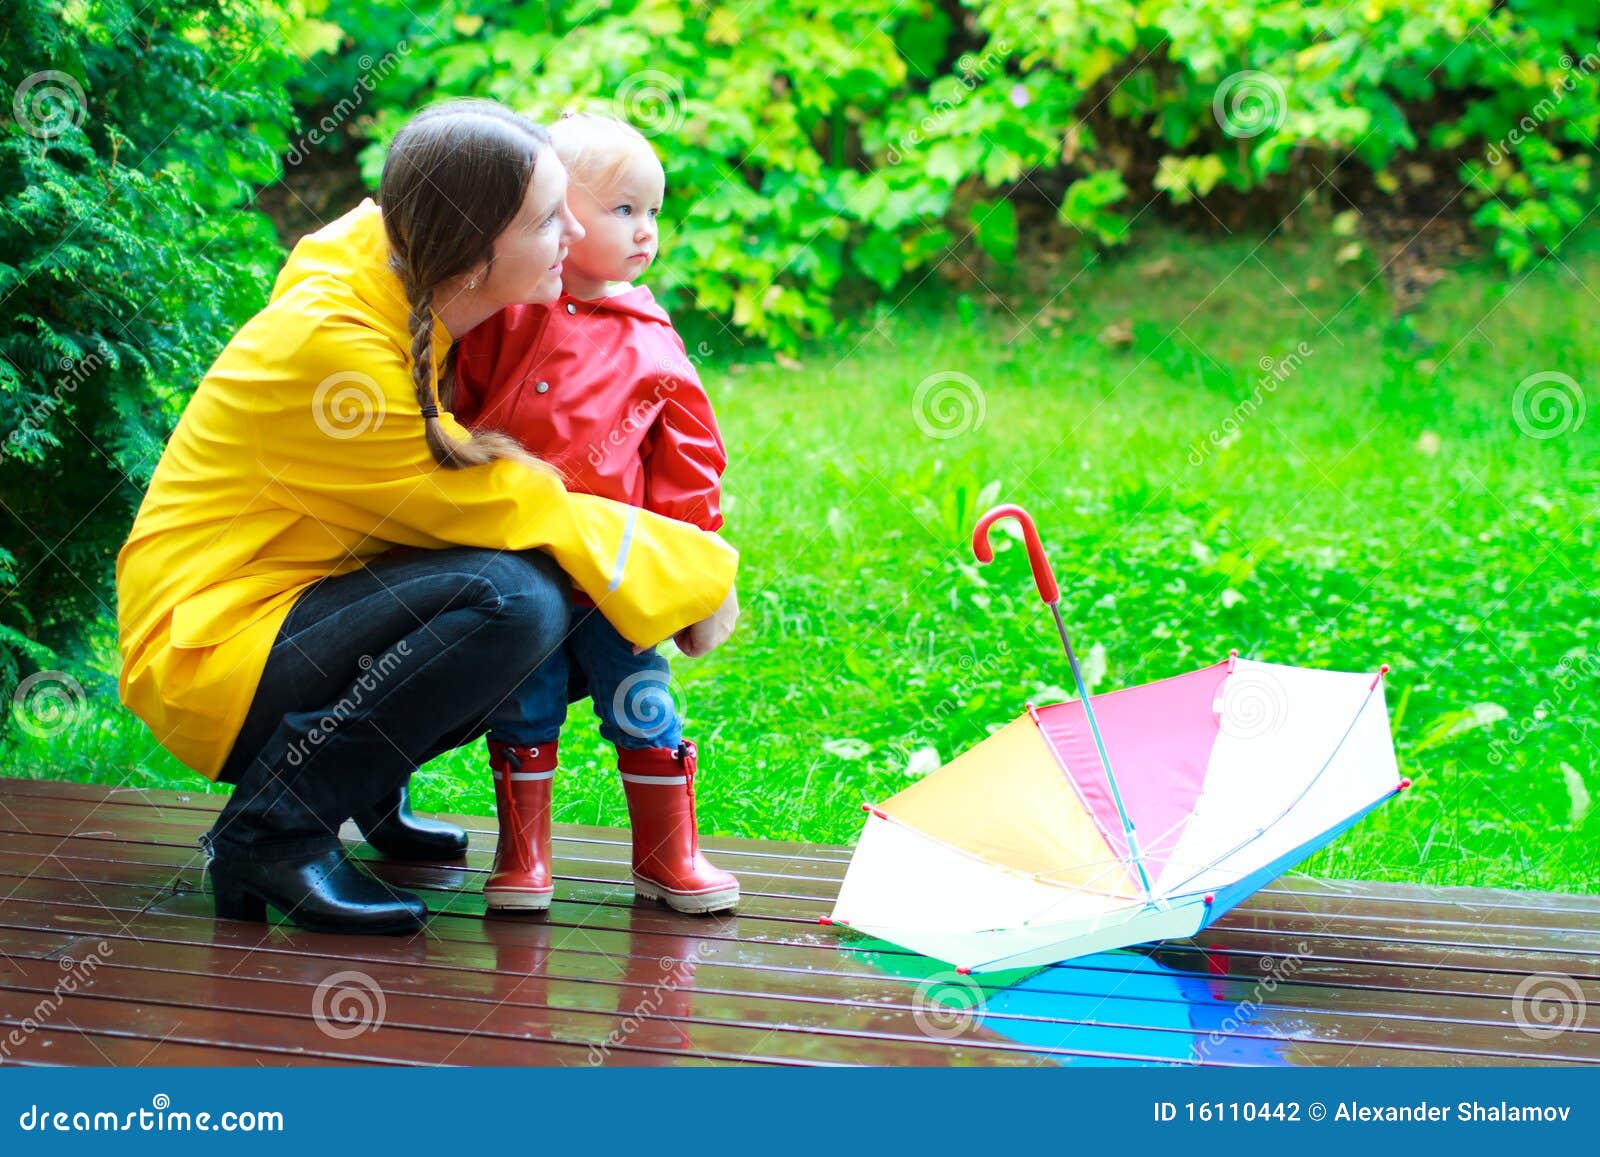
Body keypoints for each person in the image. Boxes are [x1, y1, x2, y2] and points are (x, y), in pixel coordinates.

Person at [114, 100, 739, 936]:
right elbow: (501, 502)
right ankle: (273, 829)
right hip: (210, 650)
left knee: (562, 604)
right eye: (549, 218)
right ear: (477, 249)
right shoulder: (337, 354)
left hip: (289, 608)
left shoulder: (412, 279)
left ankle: (364, 786)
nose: (573, 232)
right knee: (516, 602)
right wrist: (698, 574)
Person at [452, 111, 737, 915]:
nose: (646, 231)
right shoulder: (504, 314)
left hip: (619, 570)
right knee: (524, 703)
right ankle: (523, 855)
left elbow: (689, 452)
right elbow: (455, 403)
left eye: (653, 212)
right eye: (623, 210)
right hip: (524, 565)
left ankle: (667, 854)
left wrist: (687, 560)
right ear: (555, 213)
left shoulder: (649, 336)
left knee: (641, 702)